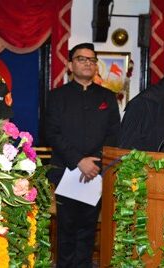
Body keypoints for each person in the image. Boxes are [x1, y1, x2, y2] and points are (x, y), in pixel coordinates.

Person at [45, 43, 120, 267]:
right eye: (82, 59)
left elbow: (114, 134)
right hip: (66, 171)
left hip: (96, 173)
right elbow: (50, 133)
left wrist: (93, 163)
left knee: (88, 230)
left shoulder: (108, 97)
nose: (88, 63)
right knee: (66, 231)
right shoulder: (57, 96)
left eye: (92, 60)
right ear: (70, 65)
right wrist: (79, 161)